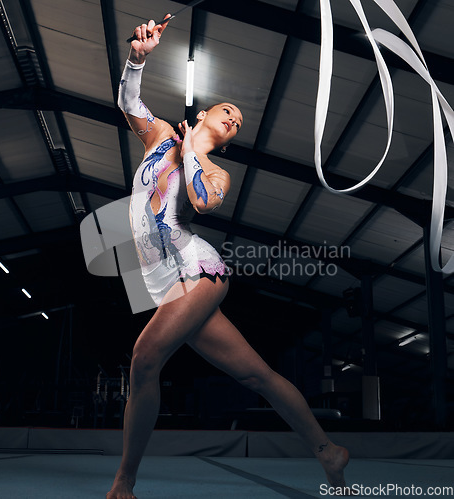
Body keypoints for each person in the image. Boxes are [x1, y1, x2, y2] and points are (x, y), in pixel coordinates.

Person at [107, 15, 350, 499]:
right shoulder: (160, 139)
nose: (234, 117)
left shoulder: (218, 174)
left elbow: (199, 201)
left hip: (198, 272)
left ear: (229, 139)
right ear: (202, 115)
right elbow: (129, 101)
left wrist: (194, 150)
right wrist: (138, 58)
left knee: (144, 360)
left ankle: (123, 485)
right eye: (226, 109)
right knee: (255, 373)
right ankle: (327, 449)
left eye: (238, 122)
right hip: (162, 283)